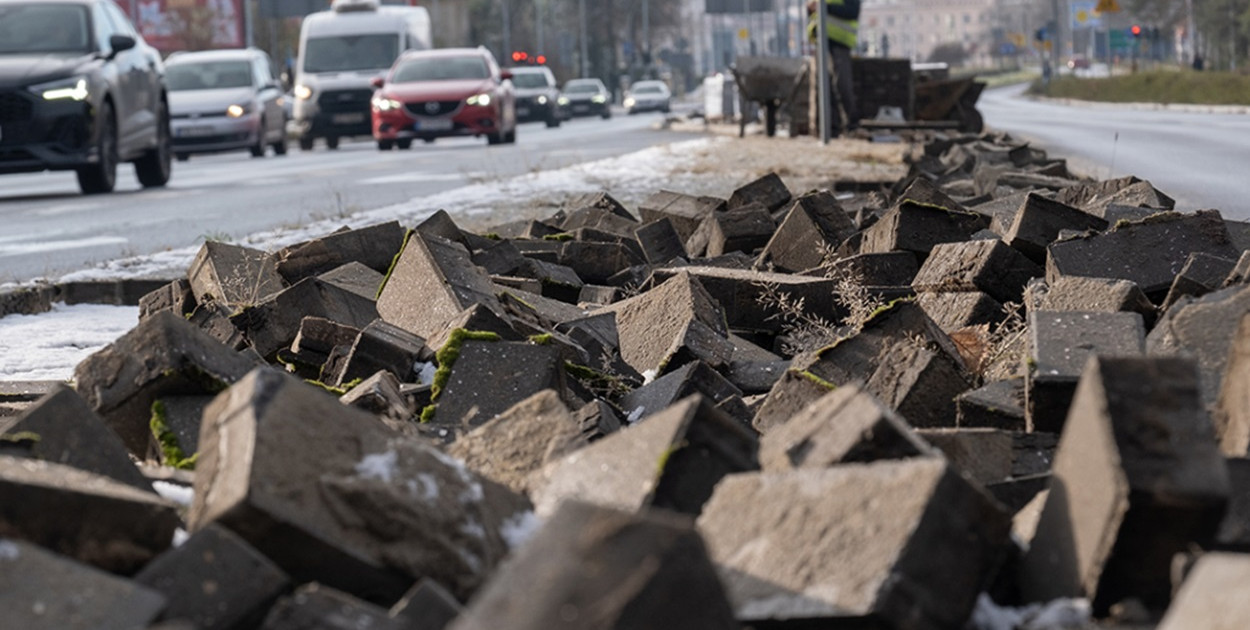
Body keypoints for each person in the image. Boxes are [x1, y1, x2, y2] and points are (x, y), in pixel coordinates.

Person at [807, 0, 861, 137]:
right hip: (821, 41)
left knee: (842, 84)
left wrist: (824, 7)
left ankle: (852, 126)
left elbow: (852, 12)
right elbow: (813, 14)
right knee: (824, 87)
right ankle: (830, 129)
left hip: (840, 43)